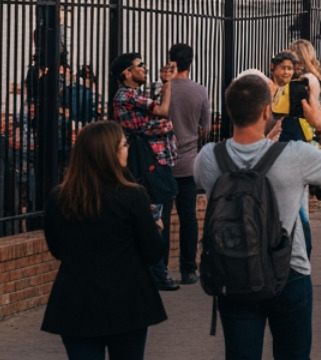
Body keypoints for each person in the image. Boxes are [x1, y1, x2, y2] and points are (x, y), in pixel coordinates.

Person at [196, 72, 321, 360]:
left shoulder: (208, 157)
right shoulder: (293, 155)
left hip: (233, 272)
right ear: (266, 111)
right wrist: (320, 125)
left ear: (229, 111)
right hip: (288, 271)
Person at [41, 120, 167, 360]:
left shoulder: (59, 198)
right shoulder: (132, 195)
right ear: (109, 153)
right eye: (123, 145)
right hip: (127, 301)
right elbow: (153, 252)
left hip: (76, 301)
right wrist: (157, 228)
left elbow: (57, 249)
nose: (127, 149)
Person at [110, 51, 180, 292]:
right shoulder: (126, 95)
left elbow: (161, 115)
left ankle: (155, 272)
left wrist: (166, 86)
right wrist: (168, 86)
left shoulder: (133, 95)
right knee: (153, 218)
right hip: (148, 166)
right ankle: (156, 274)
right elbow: (163, 113)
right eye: (140, 66)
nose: (145, 68)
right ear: (126, 73)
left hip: (154, 162)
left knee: (157, 215)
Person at [163, 43, 210, 286]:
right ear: (191, 62)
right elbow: (207, 127)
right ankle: (188, 268)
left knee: (162, 215)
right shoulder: (200, 91)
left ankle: (160, 267)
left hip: (163, 162)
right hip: (189, 161)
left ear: (171, 60)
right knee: (188, 217)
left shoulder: (163, 89)